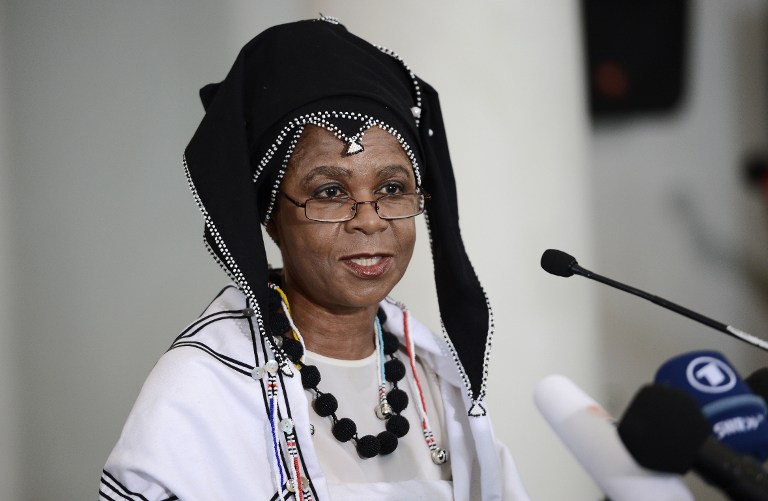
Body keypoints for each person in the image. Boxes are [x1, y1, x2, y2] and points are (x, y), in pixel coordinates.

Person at [99, 16, 530, 501]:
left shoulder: (436, 380)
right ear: (271, 219)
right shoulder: (203, 391)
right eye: (330, 192)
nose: (369, 221)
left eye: (392, 189)